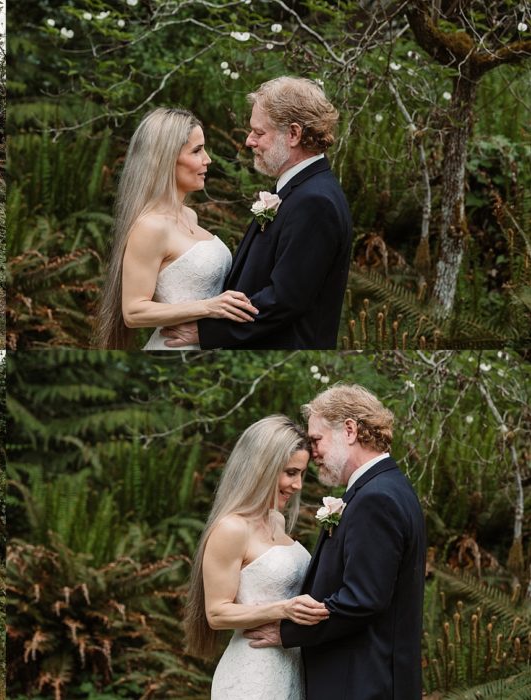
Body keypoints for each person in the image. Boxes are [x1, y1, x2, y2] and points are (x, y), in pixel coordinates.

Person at [245, 385, 426, 699]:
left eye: (316, 440)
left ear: (350, 430)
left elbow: (362, 599)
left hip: (363, 683)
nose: (312, 453)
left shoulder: (376, 498)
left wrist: (287, 631)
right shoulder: (386, 487)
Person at [163, 77, 353, 349]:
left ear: (294, 134)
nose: (249, 141)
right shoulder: (300, 189)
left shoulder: (315, 201)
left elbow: (284, 300)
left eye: (259, 132)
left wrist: (207, 332)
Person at [184, 415, 329, 699]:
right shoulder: (231, 528)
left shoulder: (276, 520)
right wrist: (283, 610)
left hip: (289, 666)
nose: (298, 484)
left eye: (301, 473)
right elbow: (217, 613)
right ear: (261, 468)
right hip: (252, 674)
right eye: (290, 472)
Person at [94, 107, 259, 350]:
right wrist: (208, 307)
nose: (208, 159)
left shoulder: (189, 215)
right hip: (174, 347)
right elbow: (133, 311)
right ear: (166, 159)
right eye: (197, 150)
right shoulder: (150, 227)